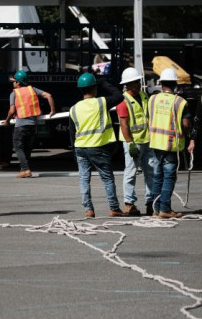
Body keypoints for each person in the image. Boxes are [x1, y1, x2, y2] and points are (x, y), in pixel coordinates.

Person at [68, 73, 125, 218]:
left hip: (80, 148)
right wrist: (104, 83)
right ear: (95, 88)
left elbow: (71, 132)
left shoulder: (73, 109)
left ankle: (89, 210)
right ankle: (114, 208)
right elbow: (119, 96)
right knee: (107, 178)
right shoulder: (101, 102)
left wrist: (74, 152)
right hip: (98, 147)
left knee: (84, 179)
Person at [148, 68, 191, 219]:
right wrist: (187, 135)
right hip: (171, 144)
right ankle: (165, 209)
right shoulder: (180, 102)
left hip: (156, 143)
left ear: (161, 83)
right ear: (175, 84)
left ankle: (156, 208)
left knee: (157, 176)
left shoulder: (152, 99)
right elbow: (186, 125)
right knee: (169, 177)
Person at [115, 67, 157, 216]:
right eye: (136, 82)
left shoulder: (144, 96)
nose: (139, 84)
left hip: (147, 140)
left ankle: (151, 203)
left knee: (150, 173)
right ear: (129, 84)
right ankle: (129, 204)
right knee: (131, 173)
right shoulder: (123, 101)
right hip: (133, 142)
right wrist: (130, 143)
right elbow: (124, 124)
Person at [1, 70, 56, 178]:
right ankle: (24, 169)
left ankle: (26, 169)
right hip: (33, 126)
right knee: (27, 148)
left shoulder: (14, 93)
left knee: (18, 147)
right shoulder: (33, 90)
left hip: (21, 125)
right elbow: (49, 96)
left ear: (18, 82)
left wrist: (7, 121)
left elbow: (12, 111)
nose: (13, 83)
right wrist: (53, 110)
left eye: (14, 81)